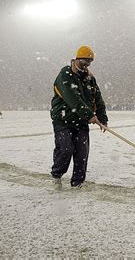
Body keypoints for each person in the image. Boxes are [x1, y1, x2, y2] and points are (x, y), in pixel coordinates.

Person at [50, 45, 108, 188]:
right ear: (77, 59)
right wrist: (89, 115)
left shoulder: (90, 79)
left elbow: (98, 99)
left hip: (81, 121)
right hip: (63, 120)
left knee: (82, 153)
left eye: (89, 62)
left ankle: (77, 182)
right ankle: (57, 175)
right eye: (84, 61)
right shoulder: (65, 73)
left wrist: (103, 118)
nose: (87, 64)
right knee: (65, 149)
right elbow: (72, 98)